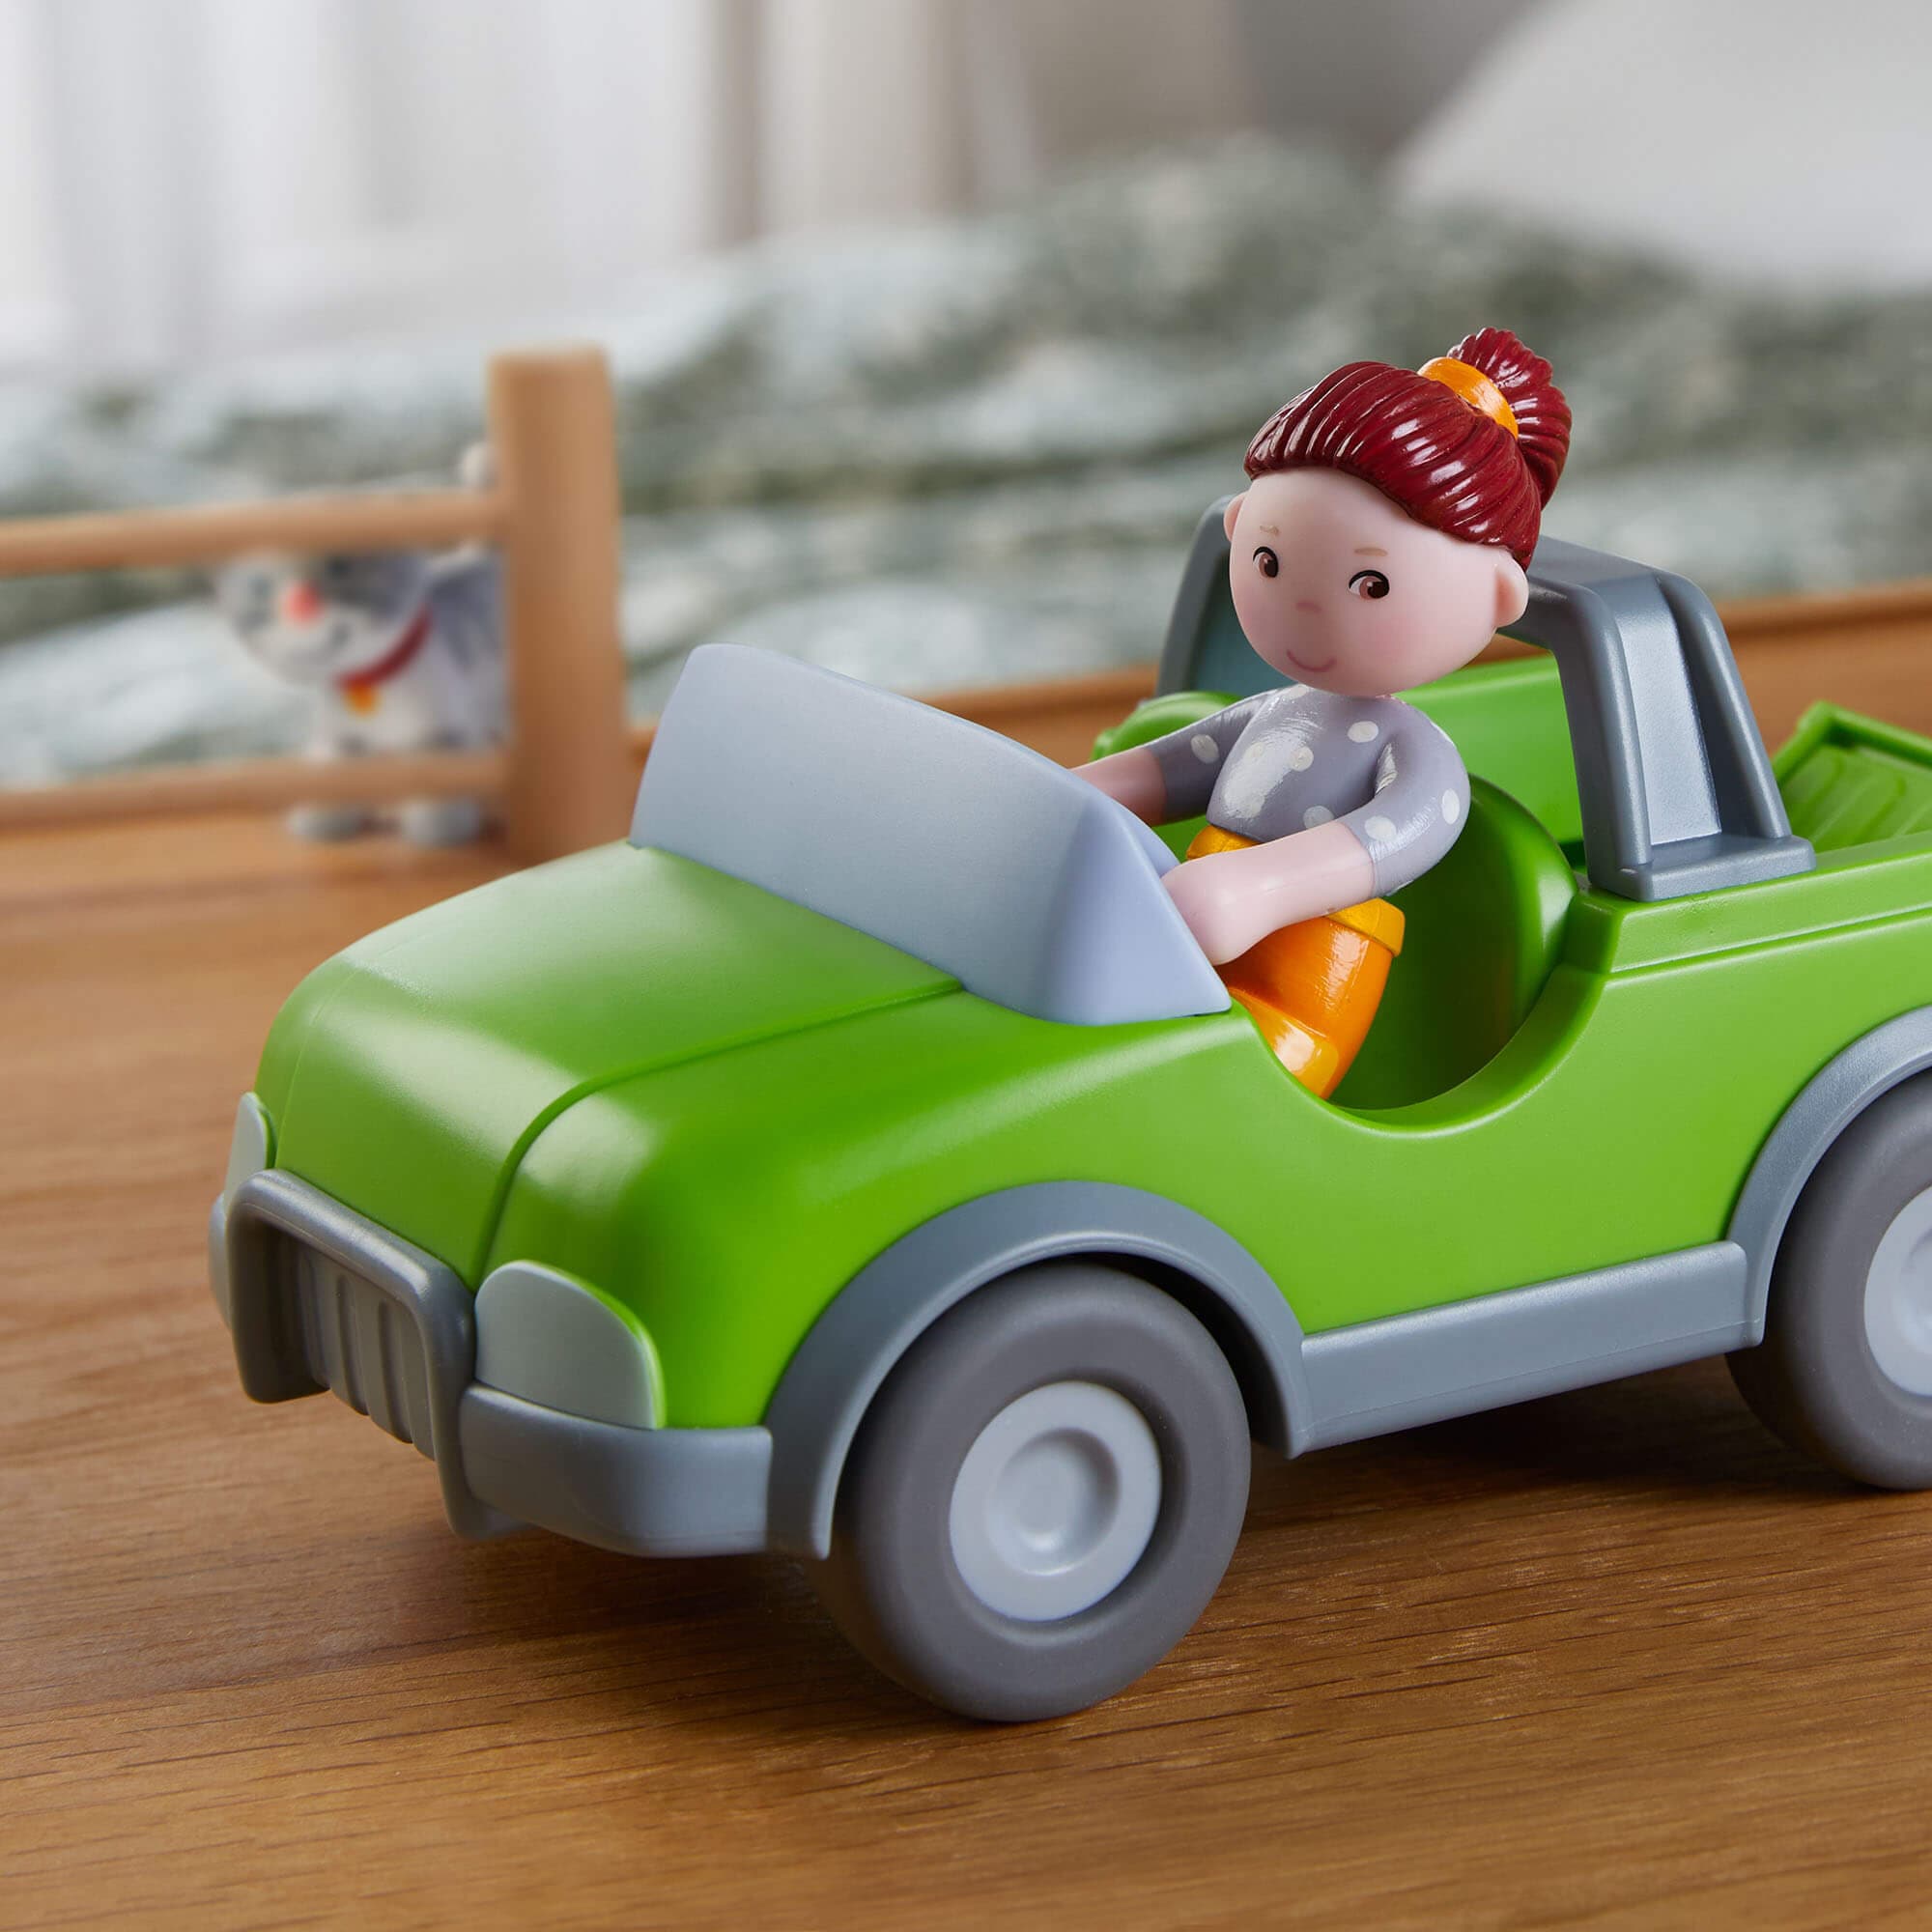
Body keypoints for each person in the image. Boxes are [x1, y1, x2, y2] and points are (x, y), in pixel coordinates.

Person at [1077, 327, 1571, 1094]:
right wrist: (1076, 797)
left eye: (1370, 585)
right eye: (1269, 561)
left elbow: (1383, 839)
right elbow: (1175, 767)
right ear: (1239, 529)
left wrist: (1261, 888)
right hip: (1180, 959)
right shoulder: (1275, 710)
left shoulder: (1422, 763)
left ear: (1498, 600)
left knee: (1194, 1082)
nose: (1305, 607)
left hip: (1299, 1001)